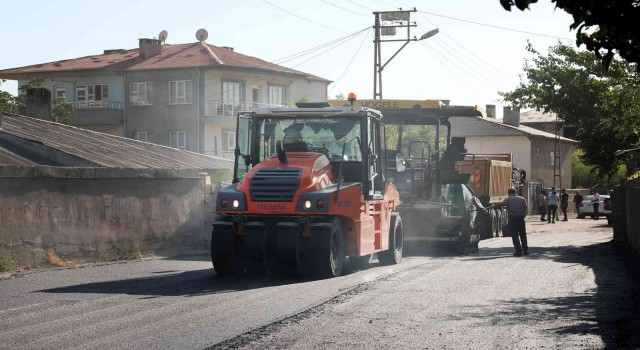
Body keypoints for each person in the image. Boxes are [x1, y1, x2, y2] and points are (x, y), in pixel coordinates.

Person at [486, 188, 529, 257]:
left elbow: (499, 204)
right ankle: (525, 250)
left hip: (513, 219)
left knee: (515, 235)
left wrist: (489, 208)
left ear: (509, 193)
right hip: (521, 219)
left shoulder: (508, 199)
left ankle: (518, 251)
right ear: (516, 192)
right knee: (523, 235)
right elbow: (526, 208)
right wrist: (524, 215)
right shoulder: (522, 199)